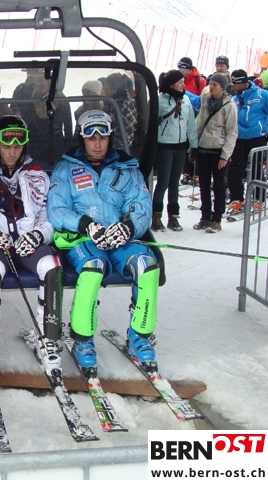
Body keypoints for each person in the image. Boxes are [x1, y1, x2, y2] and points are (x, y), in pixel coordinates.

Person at [46, 110, 159, 368]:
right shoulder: (66, 169)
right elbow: (56, 209)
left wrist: (128, 227)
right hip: (83, 239)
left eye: (103, 138)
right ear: (81, 139)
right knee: (92, 268)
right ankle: (82, 338)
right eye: (91, 138)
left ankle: (140, 336)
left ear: (110, 138)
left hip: (119, 239)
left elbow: (141, 205)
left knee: (147, 266)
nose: (97, 144)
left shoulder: (127, 168)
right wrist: (85, 225)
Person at [0, 115, 63, 375]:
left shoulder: (38, 176)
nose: (12, 151)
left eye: (18, 145)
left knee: (51, 265)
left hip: (27, 244)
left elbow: (48, 219)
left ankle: (48, 338)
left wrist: (38, 236)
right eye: (6, 145)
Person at [152, 69, 198, 232]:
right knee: (163, 183)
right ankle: (156, 217)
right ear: (171, 84)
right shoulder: (160, 100)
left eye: (183, 82)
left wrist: (194, 145)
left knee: (174, 183)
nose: (183, 85)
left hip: (180, 146)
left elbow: (190, 124)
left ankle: (173, 216)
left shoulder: (186, 100)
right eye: (180, 82)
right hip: (164, 146)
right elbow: (152, 124)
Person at [193, 74, 238, 233]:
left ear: (222, 87)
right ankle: (205, 216)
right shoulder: (206, 101)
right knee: (204, 185)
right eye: (210, 84)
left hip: (219, 151)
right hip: (204, 148)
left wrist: (225, 155)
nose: (211, 87)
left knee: (218, 185)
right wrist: (193, 146)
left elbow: (232, 132)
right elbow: (199, 125)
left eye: (215, 85)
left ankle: (217, 218)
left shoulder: (229, 105)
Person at [12, 68, 74, 168]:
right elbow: (23, 119)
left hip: (55, 147)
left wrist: (68, 150)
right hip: (33, 146)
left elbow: (68, 126)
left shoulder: (61, 99)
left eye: (44, 81)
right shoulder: (31, 98)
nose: (41, 84)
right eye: (40, 81)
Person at [227, 69, 268, 214]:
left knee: (256, 168)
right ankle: (236, 198)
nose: (233, 87)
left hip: (256, 137)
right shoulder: (233, 98)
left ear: (243, 83)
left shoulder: (262, 94)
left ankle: (259, 198)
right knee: (235, 168)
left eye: (235, 84)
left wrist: (264, 128)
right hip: (238, 138)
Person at [102, 73, 138, 151]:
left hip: (120, 147)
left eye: (106, 88)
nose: (104, 91)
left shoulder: (120, 106)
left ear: (114, 90)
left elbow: (113, 129)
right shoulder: (121, 100)